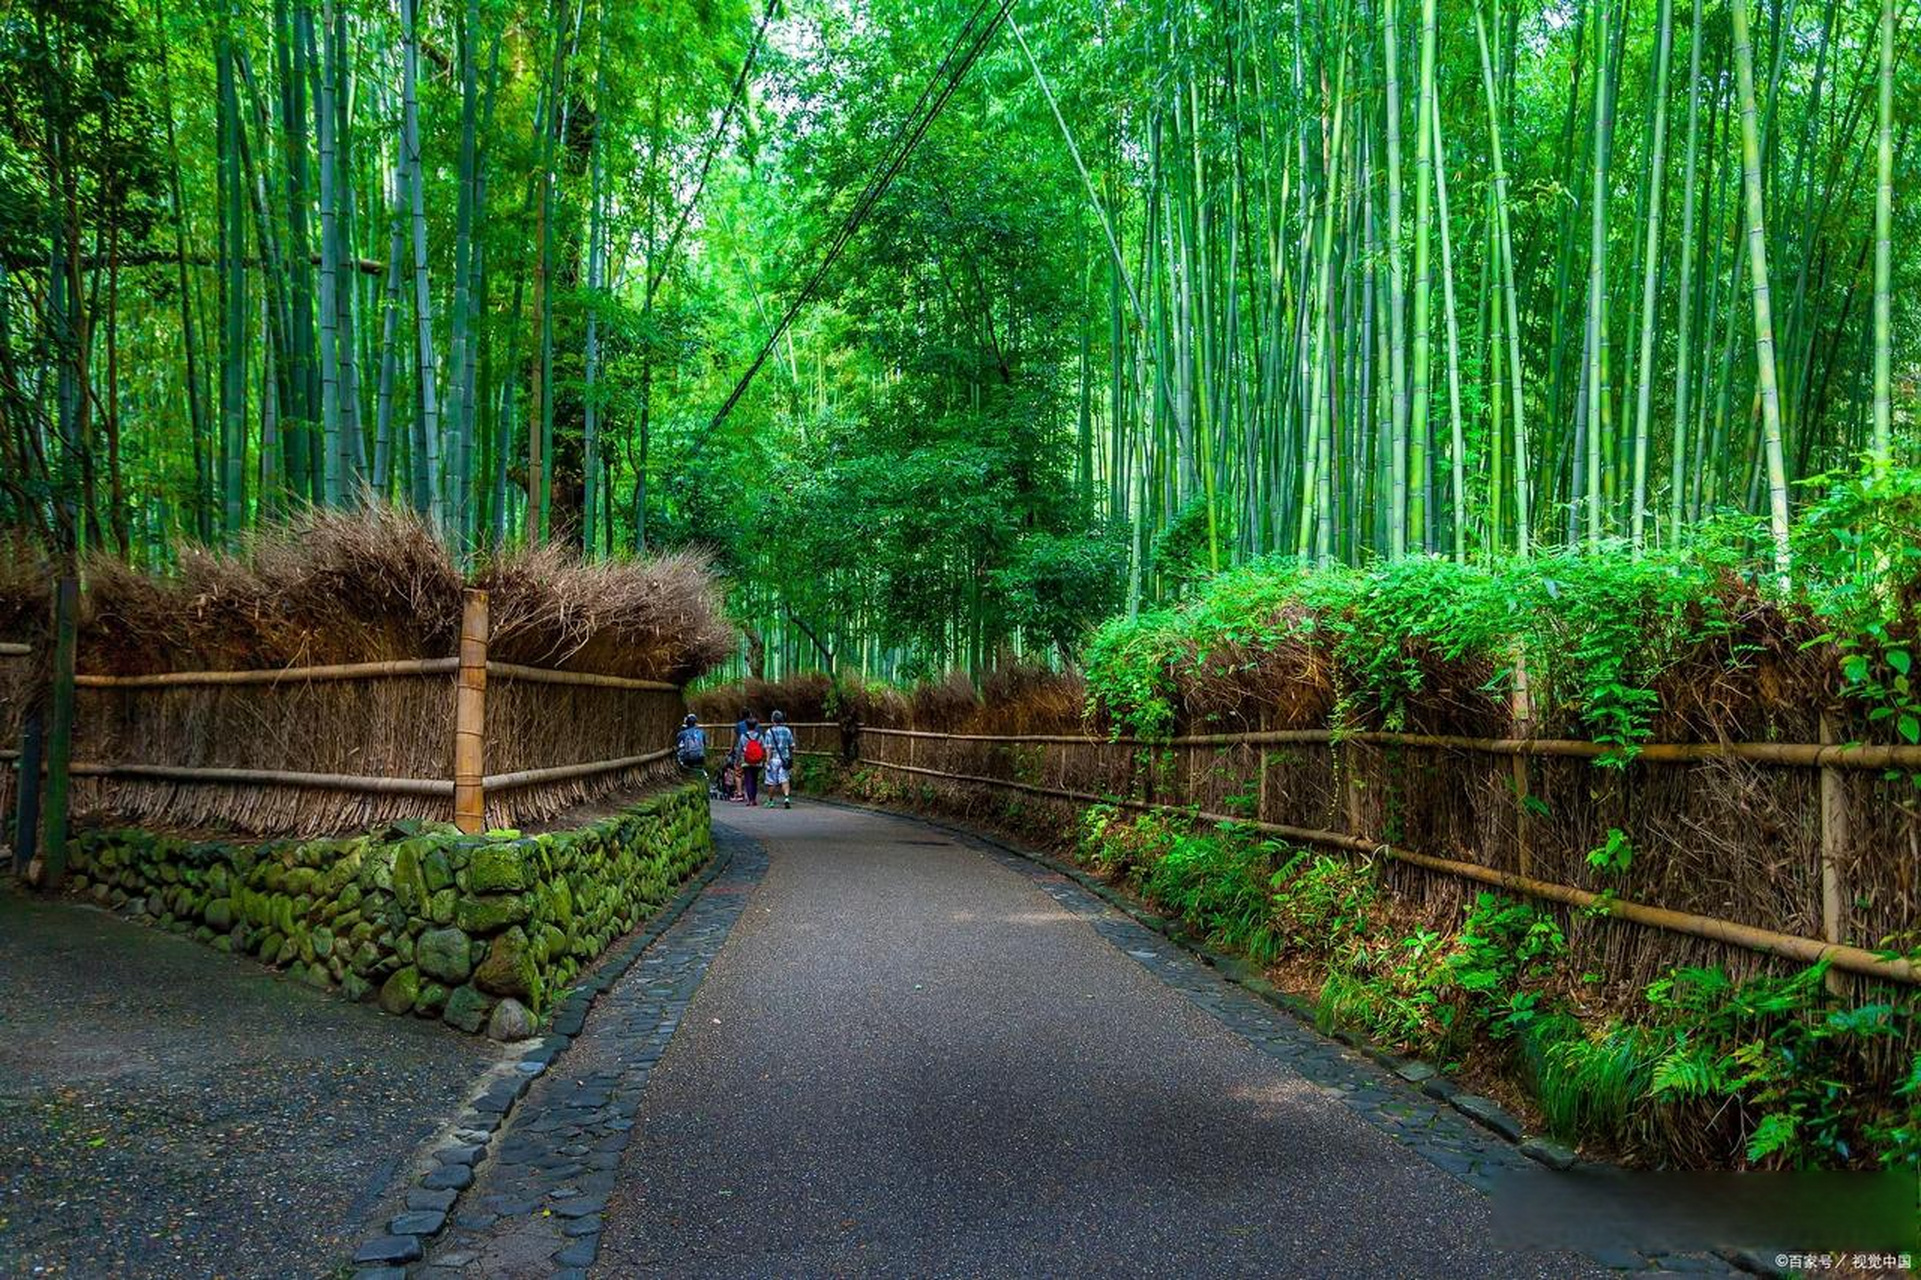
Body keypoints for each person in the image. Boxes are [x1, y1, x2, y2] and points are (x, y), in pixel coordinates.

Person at [762, 710, 796, 809]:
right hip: (784, 759)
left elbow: (768, 748)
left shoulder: (769, 732)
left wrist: (767, 761)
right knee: (785, 779)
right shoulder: (787, 731)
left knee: (771, 781)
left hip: (773, 759)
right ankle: (786, 798)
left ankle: (770, 801)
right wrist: (789, 755)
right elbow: (792, 745)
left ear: (773, 720)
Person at [737, 715, 768, 806]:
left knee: (748, 780)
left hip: (746, 761)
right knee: (755, 780)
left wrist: (737, 760)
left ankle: (750, 799)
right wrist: (764, 758)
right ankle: (754, 799)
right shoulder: (760, 736)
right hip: (757, 761)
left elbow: (739, 749)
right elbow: (763, 748)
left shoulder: (743, 736)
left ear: (747, 726)